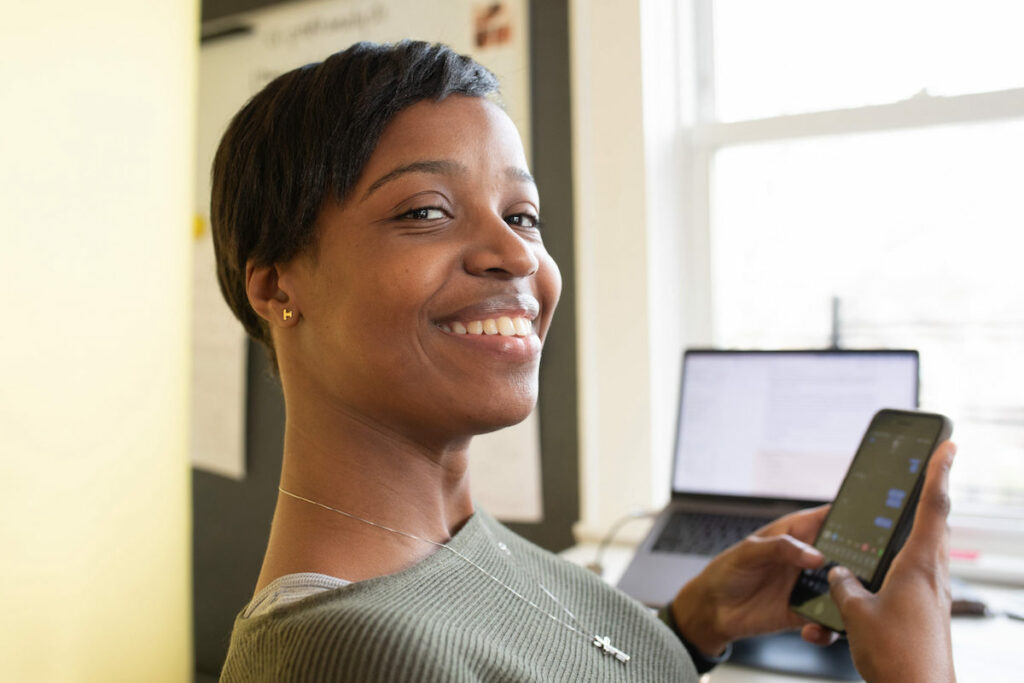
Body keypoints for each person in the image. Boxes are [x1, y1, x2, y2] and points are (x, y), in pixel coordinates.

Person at [211, 40, 957, 682]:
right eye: (426, 210)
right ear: (277, 287)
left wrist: (690, 627)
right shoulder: (350, 652)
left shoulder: (460, 539)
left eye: (521, 215)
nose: (515, 254)